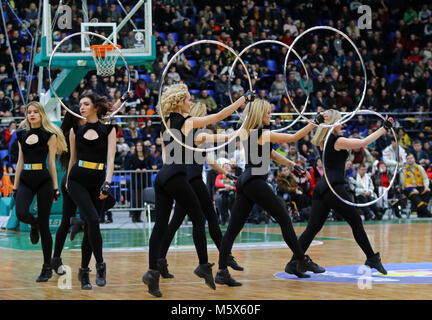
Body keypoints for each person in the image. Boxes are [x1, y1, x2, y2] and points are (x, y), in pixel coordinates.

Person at [142, 84, 252, 297]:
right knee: (200, 219)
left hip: (162, 176)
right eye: (188, 100)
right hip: (176, 176)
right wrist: (243, 101)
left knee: (161, 225)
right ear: (180, 102)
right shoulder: (188, 122)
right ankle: (203, 265)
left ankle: (152, 271)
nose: (191, 103)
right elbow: (219, 115)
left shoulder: (166, 123)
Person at [216, 99, 326, 287]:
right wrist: (314, 122)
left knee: (234, 228)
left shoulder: (249, 133)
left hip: (246, 181)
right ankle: (301, 260)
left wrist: (293, 165)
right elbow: (293, 138)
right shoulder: (263, 133)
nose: (270, 116)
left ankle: (221, 271)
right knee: (284, 218)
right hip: (255, 181)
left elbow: (272, 154)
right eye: (268, 113)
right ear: (260, 115)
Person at [287, 109, 393, 278]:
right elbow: (363, 142)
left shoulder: (323, 140)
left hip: (322, 188)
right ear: (333, 124)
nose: (343, 125)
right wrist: (384, 128)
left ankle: (294, 262)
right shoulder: (337, 140)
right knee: (356, 221)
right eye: (340, 122)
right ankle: (372, 258)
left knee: (313, 228)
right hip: (333, 188)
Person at [157, 102, 244, 279]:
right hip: (193, 181)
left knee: (175, 222)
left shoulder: (190, 134)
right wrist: (241, 129)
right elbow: (225, 138)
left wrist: (227, 174)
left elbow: (210, 160)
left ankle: (160, 260)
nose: (206, 116)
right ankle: (224, 257)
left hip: (183, 180)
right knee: (210, 218)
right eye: (204, 113)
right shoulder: (198, 134)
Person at [66, 93, 117, 290]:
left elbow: (111, 159)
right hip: (77, 180)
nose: (82, 107)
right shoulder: (75, 130)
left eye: (86, 104)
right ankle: (101, 265)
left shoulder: (109, 129)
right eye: (80, 104)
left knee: (90, 227)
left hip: (98, 181)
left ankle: (83, 272)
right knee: (94, 221)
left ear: (96, 107)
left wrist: (108, 182)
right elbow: (72, 159)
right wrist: (68, 182)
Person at [13, 102, 67, 282]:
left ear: (41, 114)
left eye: (36, 111)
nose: (32, 114)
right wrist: (14, 186)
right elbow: (20, 161)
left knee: (45, 226)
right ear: (26, 115)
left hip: (43, 180)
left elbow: (51, 163)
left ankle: (46, 267)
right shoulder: (21, 134)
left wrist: (55, 187)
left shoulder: (49, 135)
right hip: (25, 180)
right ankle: (33, 224)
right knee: (21, 212)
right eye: (29, 112)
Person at [400, 153, 432, 218]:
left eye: (411, 158)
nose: (410, 160)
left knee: (428, 192)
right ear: (406, 160)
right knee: (415, 195)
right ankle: (428, 214)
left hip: (420, 187)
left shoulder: (420, 167)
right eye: (408, 159)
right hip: (408, 188)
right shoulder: (403, 169)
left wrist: (426, 187)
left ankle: (421, 213)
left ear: (414, 159)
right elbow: (403, 182)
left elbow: (425, 179)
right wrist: (412, 188)